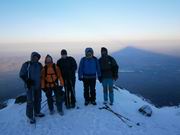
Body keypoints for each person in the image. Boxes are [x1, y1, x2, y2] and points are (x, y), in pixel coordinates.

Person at [19, 52, 45, 124]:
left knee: (38, 99)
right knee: (30, 101)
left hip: (38, 86)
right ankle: (30, 116)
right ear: (32, 57)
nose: (35, 58)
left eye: (37, 57)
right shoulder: (27, 64)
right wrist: (27, 80)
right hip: (29, 87)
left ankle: (37, 112)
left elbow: (42, 74)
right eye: (34, 56)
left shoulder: (39, 65)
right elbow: (21, 74)